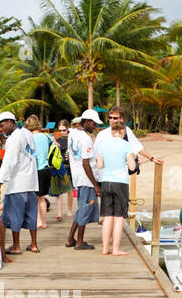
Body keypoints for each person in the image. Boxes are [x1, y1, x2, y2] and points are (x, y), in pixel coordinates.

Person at [92, 106, 162, 255]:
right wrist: (127, 163)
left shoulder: (107, 141)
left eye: (115, 118)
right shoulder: (120, 143)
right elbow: (131, 164)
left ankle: (105, 248)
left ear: (121, 120)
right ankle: (115, 249)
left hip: (106, 181)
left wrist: (150, 157)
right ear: (122, 130)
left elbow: (98, 163)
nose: (111, 120)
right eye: (110, 117)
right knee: (118, 218)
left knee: (107, 216)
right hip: (120, 183)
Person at [0, 111, 40, 254]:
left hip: (17, 184)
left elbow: (9, 162)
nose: (2, 129)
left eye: (3, 125)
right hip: (31, 183)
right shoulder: (27, 134)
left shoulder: (13, 139)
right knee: (31, 215)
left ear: (11, 122)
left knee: (14, 216)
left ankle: (16, 246)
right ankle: (34, 244)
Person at [66, 109, 101, 250]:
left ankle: (70, 239)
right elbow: (86, 163)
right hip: (86, 179)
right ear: (86, 122)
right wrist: (96, 184)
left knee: (81, 209)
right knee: (85, 209)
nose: (95, 127)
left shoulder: (73, 134)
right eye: (93, 124)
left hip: (78, 177)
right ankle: (79, 242)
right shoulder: (85, 139)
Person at [26, 115, 52, 230]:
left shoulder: (30, 138)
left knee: (35, 198)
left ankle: (38, 221)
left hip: (36, 170)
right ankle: (44, 222)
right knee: (42, 198)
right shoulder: (46, 136)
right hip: (46, 168)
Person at [49, 119, 72, 219]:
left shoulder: (72, 139)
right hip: (60, 166)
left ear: (68, 129)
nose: (62, 132)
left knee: (70, 190)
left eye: (64, 130)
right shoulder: (57, 140)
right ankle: (59, 213)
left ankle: (69, 211)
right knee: (59, 191)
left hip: (70, 167)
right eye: (60, 130)